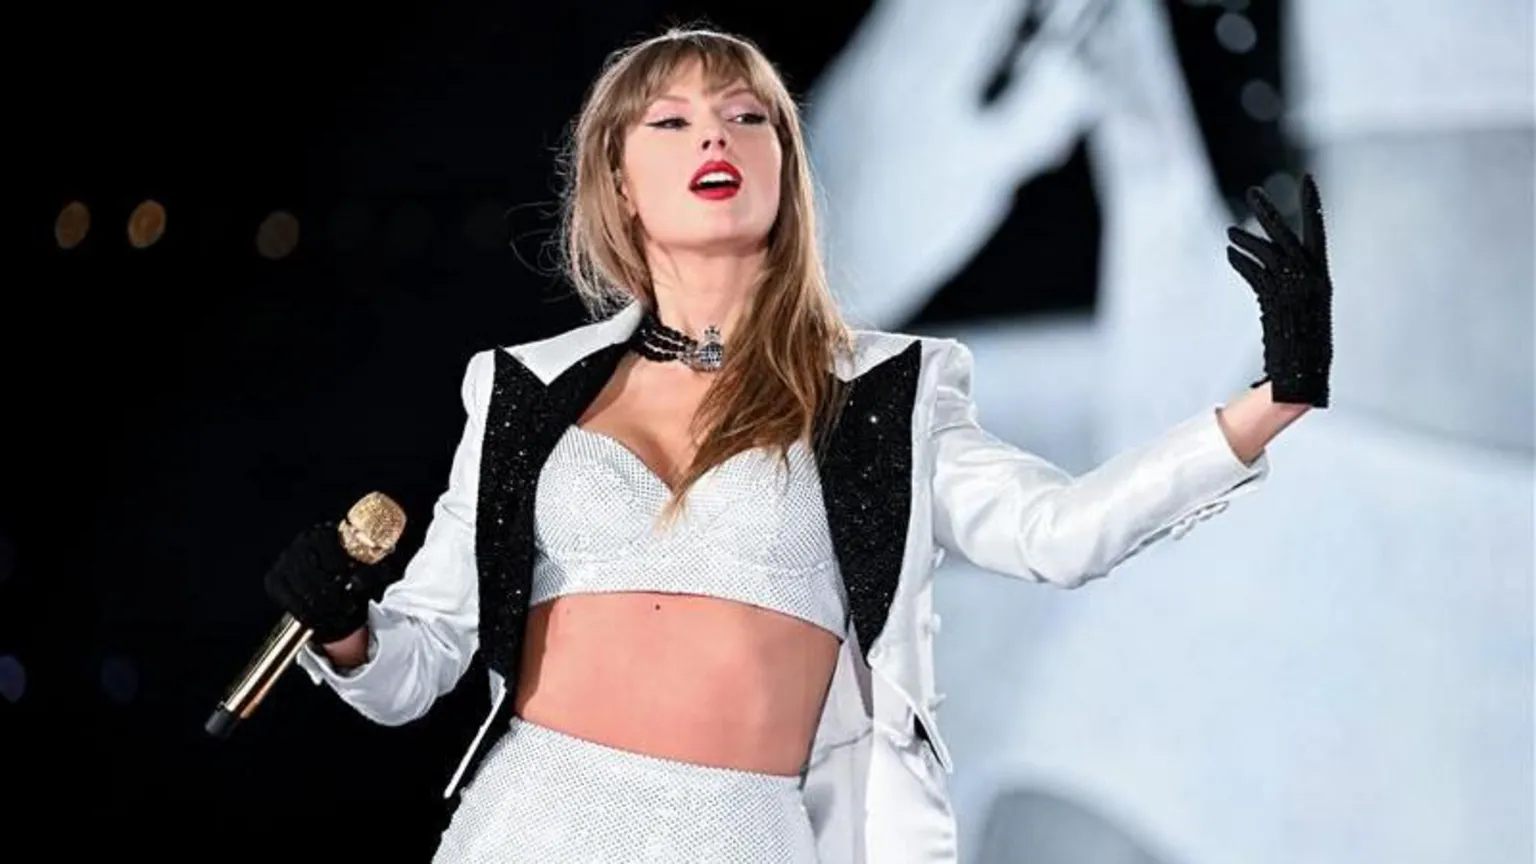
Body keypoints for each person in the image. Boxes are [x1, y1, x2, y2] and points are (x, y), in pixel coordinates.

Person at [262, 26, 1334, 864]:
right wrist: (347, 631)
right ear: (618, 180)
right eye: (672, 122)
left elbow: (1060, 532)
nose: (716, 138)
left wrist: (1270, 402)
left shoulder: (884, 393)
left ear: (786, 168)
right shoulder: (525, 389)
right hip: (531, 820)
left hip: (743, 831)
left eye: (747, 117)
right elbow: (417, 667)